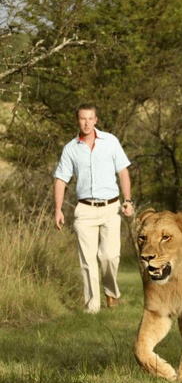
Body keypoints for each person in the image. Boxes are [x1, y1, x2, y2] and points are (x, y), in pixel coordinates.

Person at [53, 103, 135, 314]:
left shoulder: (110, 142)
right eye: (82, 119)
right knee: (88, 260)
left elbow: (123, 172)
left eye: (90, 118)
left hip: (111, 207)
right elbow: (61, 179)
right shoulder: (71, 148)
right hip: (85, 210)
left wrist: (128, 200)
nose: (87, 123)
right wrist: (58, 209)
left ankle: (111, 292)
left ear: (96, 120)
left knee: (110, 256)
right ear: (78, 121)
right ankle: (93, 307)